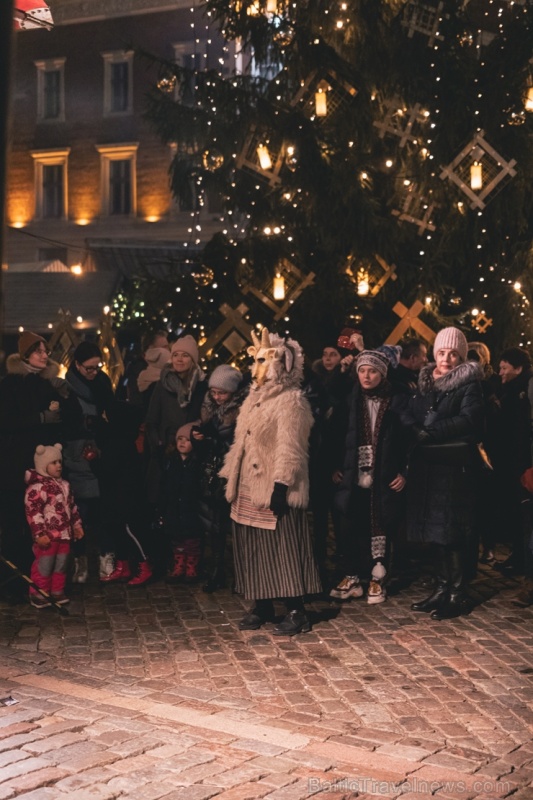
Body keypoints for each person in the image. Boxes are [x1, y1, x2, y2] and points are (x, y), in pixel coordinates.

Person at [220, 328, 322, 636]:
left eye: (266, 361)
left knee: (283, 548)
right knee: (252, 547)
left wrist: (282, 485)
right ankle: (262, 605)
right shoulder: (253, 399)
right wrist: (229, 476)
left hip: (275, 486)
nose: (258, 368)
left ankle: (296, 609)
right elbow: (241, 441)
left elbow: (290, 448)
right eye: (257, 361)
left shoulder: (292, 401)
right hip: (250, 484)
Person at [396, 327, 484, 620]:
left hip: (451, 466)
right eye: (442, 352)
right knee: (433, 530)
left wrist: (432, 431)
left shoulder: (469, 385)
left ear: (461, 356)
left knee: (452, 530)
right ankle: (442, 586)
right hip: (427, 465)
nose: (446, 358)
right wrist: (413, 427)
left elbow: (469, 419)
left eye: (453, 353)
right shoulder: (425, 381)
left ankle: (458, 593)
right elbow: (409, 409)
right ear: (435, 354)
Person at [332, 350, 407, 604]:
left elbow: (408, 440)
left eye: (372, 371)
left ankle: (378, 576)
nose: (366, 376)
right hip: (355, 475)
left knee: (381, 524)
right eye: (362, 370)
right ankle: (352, 575)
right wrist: (335, 466)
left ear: (382, 374)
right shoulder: (350, 398)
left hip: (383, 475)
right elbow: (337, 433)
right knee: (350, 525)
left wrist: (404, 471)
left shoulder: (395, 400)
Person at [0, 331, 66, 599]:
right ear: (25, 355)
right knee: (16, 522)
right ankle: (13, 584)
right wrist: (41, 417)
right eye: (38, 351)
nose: (44, 355)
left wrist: (59, 408)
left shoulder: (47, 383)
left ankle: (42, 581)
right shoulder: (10, 384)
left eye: (45, 350)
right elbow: (7, 422)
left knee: (42, 525)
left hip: (42, 466)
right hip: (15, 465)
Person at [62, 341, 115, 583]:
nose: (94, 372)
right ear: (77, 365)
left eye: (97, 367)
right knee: (80, 511)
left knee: (105, 509)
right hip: (78, 454)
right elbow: (65, 424)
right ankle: (79, 560)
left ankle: (106, 556)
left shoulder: (103, 382)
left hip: (102, 453)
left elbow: (111, 413)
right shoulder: (66, 389)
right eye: (89, 368)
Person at [192, 364, 246, 593]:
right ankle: (217, 571)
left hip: (236, 471)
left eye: (222, 393)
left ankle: (242, 576)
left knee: (238, 526)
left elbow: (240, 441)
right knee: (215, 525)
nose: (217, 397)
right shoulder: (208, 406)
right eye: (214, 392)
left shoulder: (242, 408)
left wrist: (217, 435)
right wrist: (199, 438)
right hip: (213, 472)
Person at [305, 342, 353, 583]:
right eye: (324, 353)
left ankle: (341, 559)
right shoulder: (314, 380)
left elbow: (339, 425)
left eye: (333, 354)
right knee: (319, 514)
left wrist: (341, 373)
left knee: (337, 513)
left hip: (333, 456)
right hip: (317, 458)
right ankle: (319, 557)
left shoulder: (344, 381)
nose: (327, 358)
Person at [145, 335, 207, 505]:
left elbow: (205, 418)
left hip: (191, 453)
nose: (179, 359)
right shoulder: (162, 384)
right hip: (165, 451)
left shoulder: (202, 386)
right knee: (162, 500)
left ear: (193, 359)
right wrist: (157, 445)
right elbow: (151, 420)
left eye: (185, 355)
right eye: (176, 355)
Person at [24, 443, 84, 608]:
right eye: (53, 463)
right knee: (45, 564)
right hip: (48, 536)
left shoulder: (65, 485)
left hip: (64, 534)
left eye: (59, 462)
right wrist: (39, 534)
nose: (58, 466)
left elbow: (72, 507)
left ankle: (57, 590)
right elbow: (33, 513)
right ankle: (39, 592)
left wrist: (77, 525)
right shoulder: (37, 488)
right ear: (43, 466)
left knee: (61, 563)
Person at [492, 347, 533, 576]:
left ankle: (523, 561)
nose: (500, 372)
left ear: (518, 368)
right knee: (516, 514)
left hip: (522, 463)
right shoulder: (510, 390)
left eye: (504, 367)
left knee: (523, 514)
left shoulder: (524, 389)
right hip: (512, 460)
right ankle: (518, 556)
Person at [160, 422, 205, 583]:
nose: (182, 443)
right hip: (174, 507)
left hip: (190, 508)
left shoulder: (196, 462)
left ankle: (191, 566)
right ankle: (179, 565)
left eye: (186, 440)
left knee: (191, 539)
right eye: (179, 439)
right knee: (177, 538)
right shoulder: (171, 462)